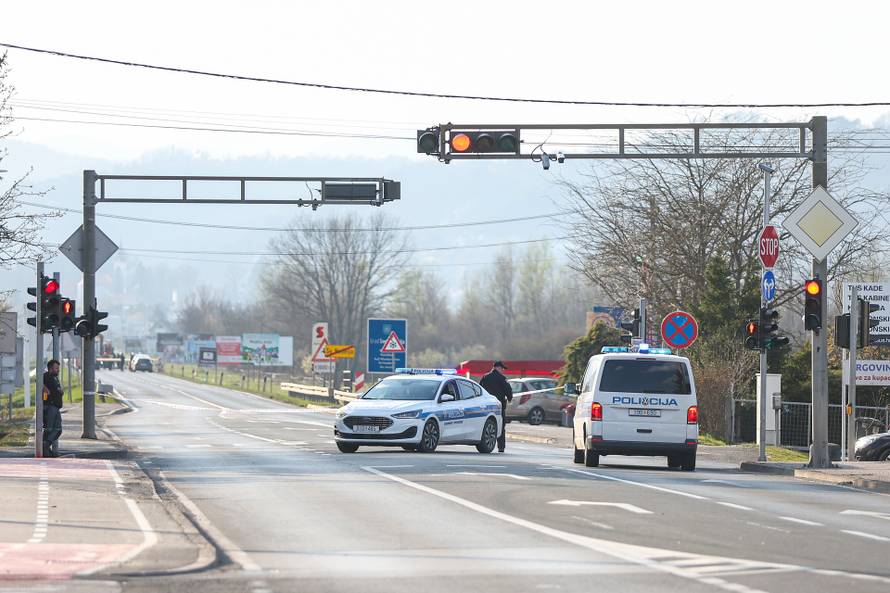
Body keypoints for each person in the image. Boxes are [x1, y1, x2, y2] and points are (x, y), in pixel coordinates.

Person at [480, 361, 513, 453]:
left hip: (486, 406)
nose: (503, 371)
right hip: (498, 406)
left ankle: (485, 444)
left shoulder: (485, 377)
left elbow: (480, 388)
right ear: (497, 368)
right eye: (502, 369)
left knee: (487, 425)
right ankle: (501, 447)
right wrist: (510, 397)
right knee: (500, 426)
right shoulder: (501, 378)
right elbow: (508, 390)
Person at [42, 359, 64, 457]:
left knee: (58, 429)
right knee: (49, 429)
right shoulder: (46, 376)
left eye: (58, 368)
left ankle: (46, 446)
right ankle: (45, 448)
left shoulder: (55, 378)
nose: (58, 370)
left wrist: (60, 391)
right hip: (50, 407)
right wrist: (44, 388)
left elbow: (57, 390)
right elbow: (37, 381)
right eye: (56, 368)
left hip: (56, 407)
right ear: (50, 369)